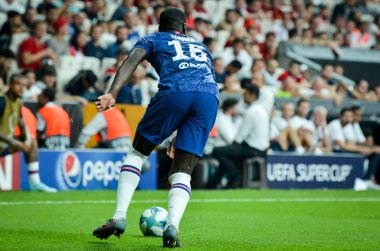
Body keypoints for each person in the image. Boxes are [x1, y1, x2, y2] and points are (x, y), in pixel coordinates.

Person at [92, 8, 218, 248]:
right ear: (184, 28)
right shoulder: (202, 47)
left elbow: (131, 61)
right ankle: (173, 225)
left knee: (138, 153)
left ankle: (118, 217)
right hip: (209, 98)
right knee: (183, 170)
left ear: (161, 26)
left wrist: (112, 93)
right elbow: (201, 83)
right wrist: (180, 130)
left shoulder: (153, 38)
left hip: (175, 92)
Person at [0, 74, 56, 192]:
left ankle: (34, 182)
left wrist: (26, 140)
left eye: (24, 85)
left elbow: (21, 122)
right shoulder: (2, 102)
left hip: (4, 144)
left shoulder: (18, 102)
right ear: (10, 85)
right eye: (18, 84)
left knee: (32, 142)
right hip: (5, 142)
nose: (21, 88)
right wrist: (14, 142)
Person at [208, 85, 269, 189]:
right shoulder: (262, 110)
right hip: (262, 149)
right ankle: (217, 184)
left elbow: (240, 137)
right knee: (228, 154)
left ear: (252, 95)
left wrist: (233, 146)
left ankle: (234, 174)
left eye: (245, 94)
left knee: (217, 151)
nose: (243, 97)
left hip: (252, 148)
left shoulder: (251, 112)